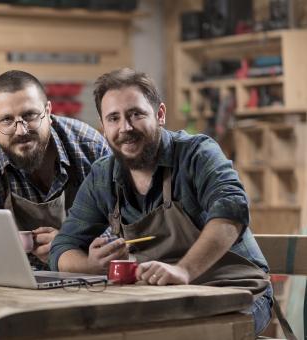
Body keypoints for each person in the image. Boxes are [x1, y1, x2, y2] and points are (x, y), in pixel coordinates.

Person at [49, 68, 272, 334]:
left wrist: (184, 270)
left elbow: (231, 211)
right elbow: (62, 247)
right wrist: (91, 265)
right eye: (114, 118)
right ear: (103, 127)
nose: (125, 128)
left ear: (160, 114)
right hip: (163, 300)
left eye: (136, 114)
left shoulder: (197, 154)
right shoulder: (102, 175)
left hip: (237, 294)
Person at [0, 70, 111, 267]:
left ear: (48, 110)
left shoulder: (89, 146)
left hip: (85, 274)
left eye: (29, 115)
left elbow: (117, 230)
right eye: (6, 120)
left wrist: (65, 249)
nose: (21, 130)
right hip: (13, 278)